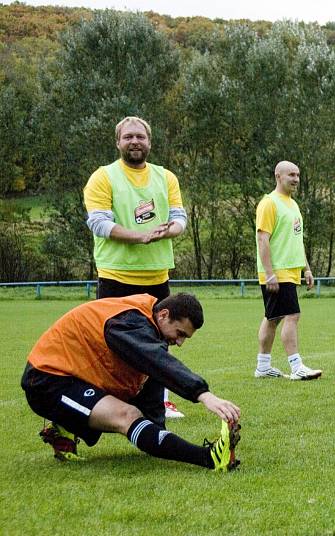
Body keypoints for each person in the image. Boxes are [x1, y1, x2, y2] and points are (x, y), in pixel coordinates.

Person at [21, 293, 242, 470]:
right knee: (126, 416)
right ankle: (209, 458)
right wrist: (204, 394)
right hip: (47, 380)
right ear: (164, 315)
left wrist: (156, 435)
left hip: (76, 377)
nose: (180, 342)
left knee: (137, 416)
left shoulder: (150, 323)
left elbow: (154, 373)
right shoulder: (128, 322)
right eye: (180, 333)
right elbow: (157, 362)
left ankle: (63, 430)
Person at [83, 116, 187, 419]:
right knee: (110, 347)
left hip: (157, 276)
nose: (135, 142)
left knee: (160, 342)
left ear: (149, 142)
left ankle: (161, 404)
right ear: (118, 142)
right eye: (128, 137)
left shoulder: (166, 177)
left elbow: (180, 216)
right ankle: (103, 404)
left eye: (140, 137)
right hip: (116, 276)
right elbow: (98, 223)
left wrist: (171, 229)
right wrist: (139, 236)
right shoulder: (103, 177)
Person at [253, 161, 321, 381]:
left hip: (291, 271)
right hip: (278, 272)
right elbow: (262, 238)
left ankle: (263, 366)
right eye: (291, 174)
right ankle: (296, 366)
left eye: (298, 175)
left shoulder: (293, 205)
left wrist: (306, 269)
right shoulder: (269, 203)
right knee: (293, 315)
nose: (296, 179)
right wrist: (270, 272)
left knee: (272, 317)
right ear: (278, 176)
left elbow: (297, 241)